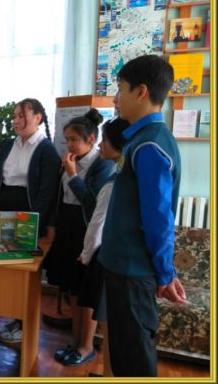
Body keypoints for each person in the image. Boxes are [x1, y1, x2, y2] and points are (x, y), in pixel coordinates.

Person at [98, 54, 186, 376]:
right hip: (123, 268)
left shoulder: (150, 146)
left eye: (120, 88)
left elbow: (158, 219)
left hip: (133, 272)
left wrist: (165, 273)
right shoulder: (138, 140)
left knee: (134, 362)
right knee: (124, 357)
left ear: (141, 91)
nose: (116, 97)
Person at [44, 108, 114, 366]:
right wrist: (53, 225)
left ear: (91, 140)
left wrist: (73, 174)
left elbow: (92, 203)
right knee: (71, 287)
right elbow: (59, 196)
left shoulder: (102, 164)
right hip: (67, 226)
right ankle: (75, 342)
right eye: (67, 139)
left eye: (73, 139)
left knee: (86, 291)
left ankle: (86, 346)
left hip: (86, 230)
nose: (69, 144)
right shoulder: (69, 159)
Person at [0, 98, 61, 345]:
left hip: (27, 214)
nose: (16, 121)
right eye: (15, 116)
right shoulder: (10, 144)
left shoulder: (46, 149)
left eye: (22, 116)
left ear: (38, 118)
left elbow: (47, 192)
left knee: (24, 272)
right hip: (4, 211)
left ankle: (24, 326)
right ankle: (16, 318)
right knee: (8, 272)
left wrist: (32, 223)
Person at [78, 115, 130, 377]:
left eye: (105, 141)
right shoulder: (125, 175)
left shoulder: (112, 182)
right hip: (117, 259)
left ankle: (109, 374)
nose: (100, 145)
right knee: (113, 325)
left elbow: (96, 226)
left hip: (104, 259)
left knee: (110, 326)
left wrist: (85, 255)